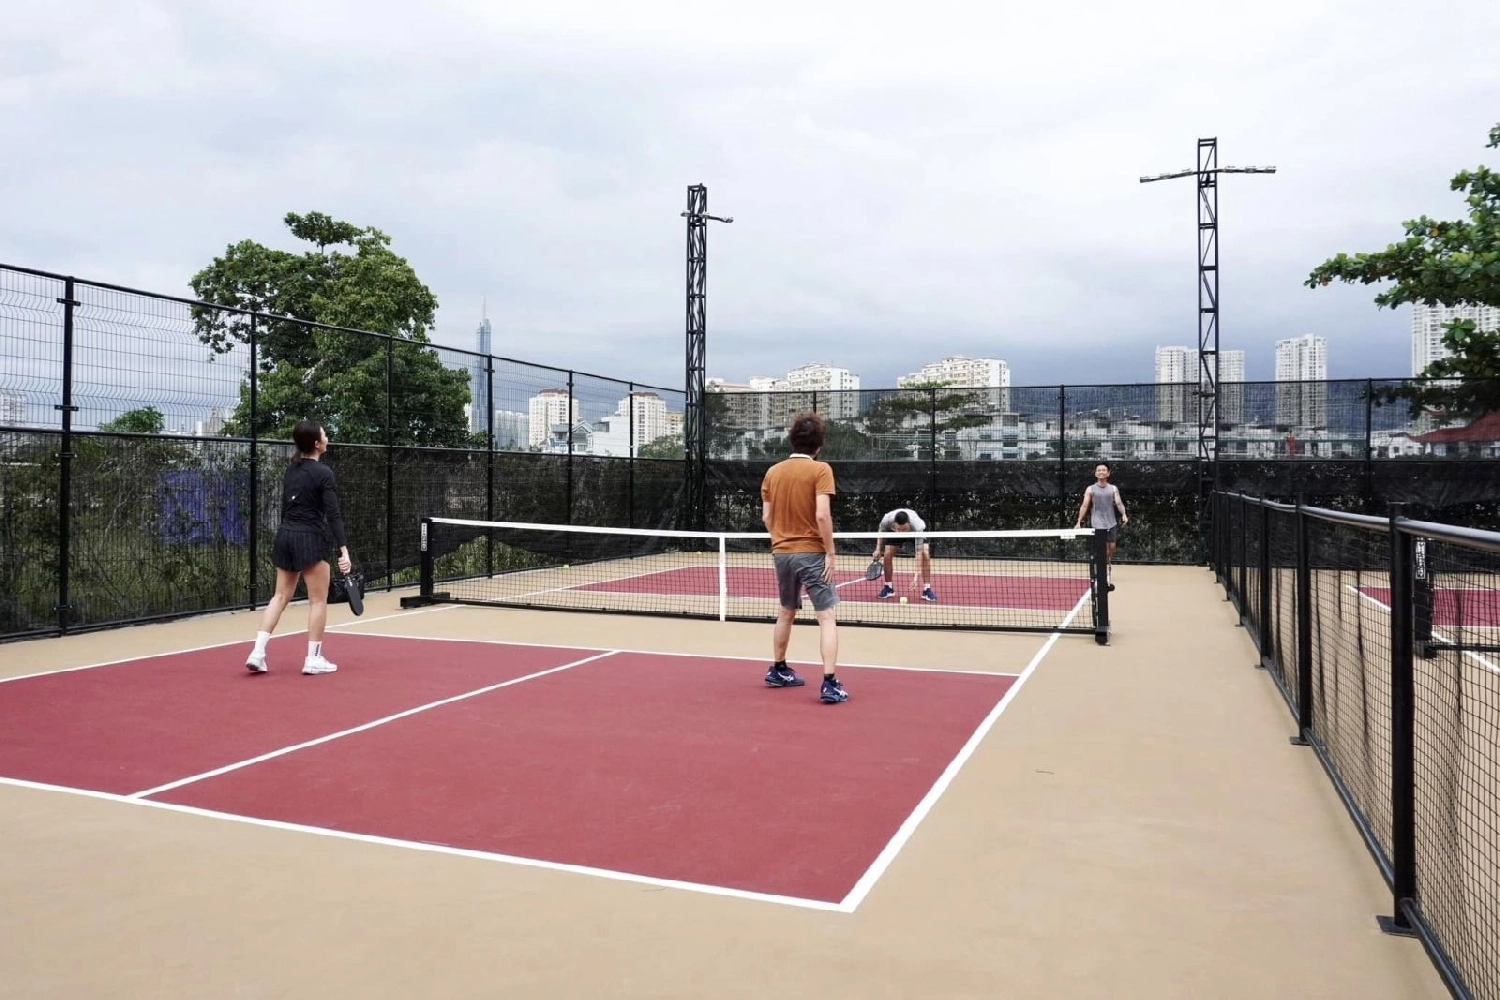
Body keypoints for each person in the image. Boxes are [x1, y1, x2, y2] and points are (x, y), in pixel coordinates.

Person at [245, 420, 352, 675]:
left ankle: (257, 653)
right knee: (318, 600)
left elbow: (285, 509)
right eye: (325, 435)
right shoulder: (324, 473)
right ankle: (313, 659)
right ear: (317, 444)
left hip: (286, 535)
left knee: (279, 597)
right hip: (310, 538)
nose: (328, 437)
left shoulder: (290, 470)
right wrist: (343, 549)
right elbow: (333, 515)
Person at [759, 411, 848, 704]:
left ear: (792, 440)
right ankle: (830, 683)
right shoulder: (821, 470)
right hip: (811, 553)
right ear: (818, 445)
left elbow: (767, 517)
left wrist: (781, 541)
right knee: (826, 617)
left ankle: (778, 669)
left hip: (781, 553)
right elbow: (822, 514)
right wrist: (830, 552)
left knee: (786, 611)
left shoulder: (773, 472)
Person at [1074, 462, 1128, 591]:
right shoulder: (1090, 489)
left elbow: (1119, 503)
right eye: (1099, 470)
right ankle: (1101, 571)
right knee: (1103, 549)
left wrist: (1124, 514)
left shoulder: (1113, 488)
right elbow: (1085, 506)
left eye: (1104, 470)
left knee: (1112, 548)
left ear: (1108, 473)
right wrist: (1078, 521)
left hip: (1111, 522)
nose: (1101, 472)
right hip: (1097, 523)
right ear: (1095, 473)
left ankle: (1106, 563)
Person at [872, 507, 936, 602]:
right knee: (887, 553)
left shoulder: (918, 526)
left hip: (914, 533)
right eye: (899, 529)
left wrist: (915, 576)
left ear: (909, 523)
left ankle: (927, 589)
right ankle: (888, 587)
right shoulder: (887, 520)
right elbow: (881, 533)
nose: (903, 532)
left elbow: (918, 552)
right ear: (894, 525)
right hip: (895, 534)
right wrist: (878, 549)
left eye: (904, 529)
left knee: (925, 553)